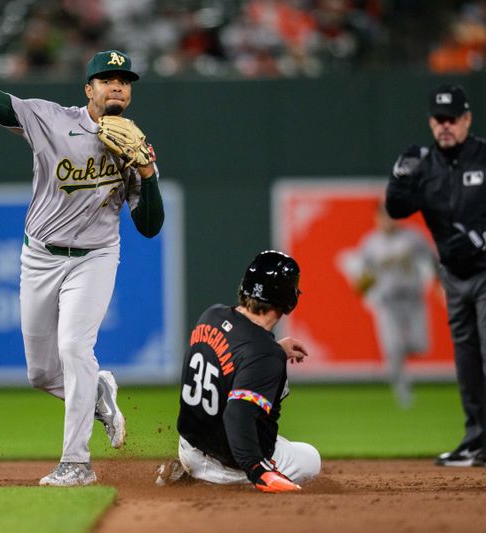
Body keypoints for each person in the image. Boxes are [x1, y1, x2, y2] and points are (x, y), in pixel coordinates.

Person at [0, 50, 165, 486]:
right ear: (89, 90)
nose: (117, 86)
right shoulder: (51, 119)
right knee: (41, 374)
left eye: (124, 81)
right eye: (107, 79)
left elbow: (149, 226)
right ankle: (99, 394)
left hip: (95, 257)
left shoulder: (135, 145)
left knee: (73, 350)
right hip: (40, 257)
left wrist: (147, 171)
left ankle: (76, 463)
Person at [156, 250, 321, 492]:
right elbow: (237, 415)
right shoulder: (264, 354)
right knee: (311, 458)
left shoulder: (212, 314)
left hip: (189, 447)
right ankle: (221, 481)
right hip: (229, 464)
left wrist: (273, 349)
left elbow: (235, 351)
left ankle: (191, 470)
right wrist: (257, 470)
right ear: (288, 298)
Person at [386, 83, 486, 467]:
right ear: (431, 122)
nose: (446, 126)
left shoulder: (482, 156)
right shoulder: (425, 165)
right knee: (466, 361)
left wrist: (480, 240)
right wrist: (399, 180)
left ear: (467, 119)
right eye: (439, 119)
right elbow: (397, 211)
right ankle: (476, 440)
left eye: (453, 119)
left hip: (484, 270)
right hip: (454, 277)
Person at [340, 201, 437, 408]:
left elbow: (433, 258)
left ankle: (402, 354)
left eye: (390, 216)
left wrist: (437, 281)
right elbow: (362, 275)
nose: (387, 220)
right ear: (376, 218)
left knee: (420, 346)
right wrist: (363, 283)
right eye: (383, 216)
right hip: (388, 303)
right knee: (392, 349)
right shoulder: (370, 243)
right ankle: (403, 392)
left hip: (413, 300)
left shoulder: (413, 237)